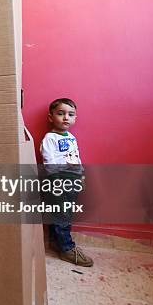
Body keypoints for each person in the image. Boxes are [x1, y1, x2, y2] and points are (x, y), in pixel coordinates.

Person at [40, 98, 93, 267]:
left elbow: (76, 157)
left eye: (70, 114)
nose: (65, 118)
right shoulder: (50, 138)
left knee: (65, 213)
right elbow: (49, 162)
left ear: (75, 118)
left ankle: (57, 243)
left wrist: (81, 177)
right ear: (51, 117)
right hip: (59, 182)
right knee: (63, 215)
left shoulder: (71, 137)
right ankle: (67, 248)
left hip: (72, 181)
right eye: (60, 113)